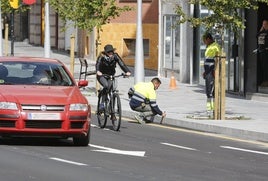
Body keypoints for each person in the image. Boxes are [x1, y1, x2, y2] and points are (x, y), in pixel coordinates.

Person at [96, 44, 131, 111]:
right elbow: (97, 64)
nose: (111, 53)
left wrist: (127, 71)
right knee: (106, 86)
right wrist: (98, 71)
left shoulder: (115, 56)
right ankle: (102, 103)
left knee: (111, 89)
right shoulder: (101, 57)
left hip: (111, 75)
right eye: (109, 52)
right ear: (105, 53)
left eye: (112, 51)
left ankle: (111, 110)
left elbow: (122, 64)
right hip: (102, 75)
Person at [202, 32, 221, 115]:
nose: (204, 43)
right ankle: (210, 108)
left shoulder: (215, 46)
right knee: (208, 91)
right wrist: (205, 72)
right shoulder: (209, 46)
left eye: (205, 41)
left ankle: (211, 109)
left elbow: (217, 60)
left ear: (209, 39)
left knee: (210, 91)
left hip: (212, 72)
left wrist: (213, 71)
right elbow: (207, 60)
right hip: (208, 72)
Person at [256, 19, 268, 87]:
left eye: (265, 24)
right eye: (263, 24)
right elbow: (256, 36)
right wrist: (261, 29)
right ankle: (264, 80)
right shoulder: (262, 31)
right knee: (263, 66)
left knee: (266, 66)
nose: (264, 25)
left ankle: (266, 81)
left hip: (266, 51)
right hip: (261, 51)